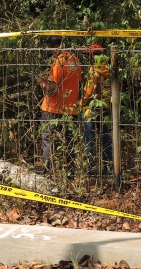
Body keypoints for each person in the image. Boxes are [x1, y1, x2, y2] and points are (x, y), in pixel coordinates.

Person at [39, 36, 82, 179]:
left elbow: (52, 89)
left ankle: (47, 174)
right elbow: (75, 82)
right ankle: (70, 175)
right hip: (70, 109)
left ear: (56, 47)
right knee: (69, 142)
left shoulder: (59, 62)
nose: (50, 52)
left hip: (53, 108)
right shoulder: (75, 60)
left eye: (51, 49)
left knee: (48, 140)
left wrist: (41, 82)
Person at [81, 43, 112, 175]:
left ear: (94, 56)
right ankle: (108, 168)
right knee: (106, 138)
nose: (88, 59)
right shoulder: (108, 69)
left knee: (89, 138)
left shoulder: (94, 71)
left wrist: (82, 103)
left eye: (89, 55)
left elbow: (89, 92)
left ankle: (88, 169)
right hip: (105, 108)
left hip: (92, 108)